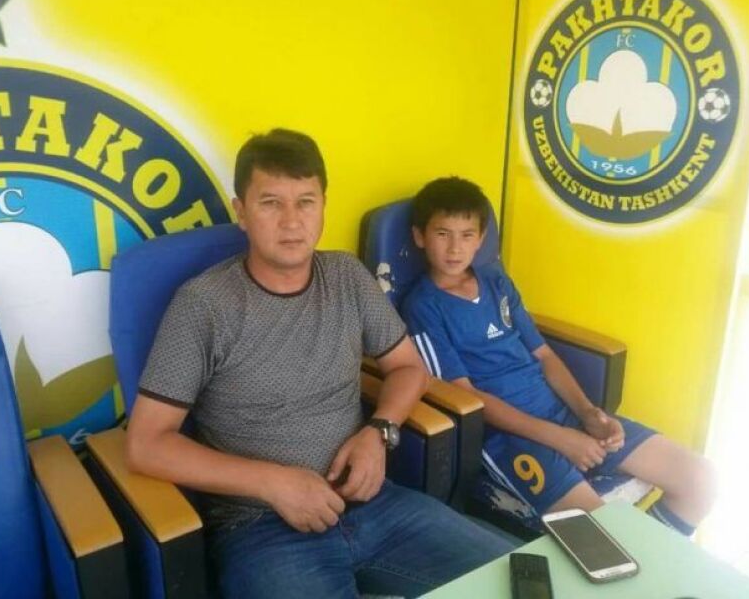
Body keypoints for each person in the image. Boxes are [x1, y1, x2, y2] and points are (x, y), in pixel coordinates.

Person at [125, 131, 517, 599]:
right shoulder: (203, 305)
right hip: (262, 530)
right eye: (271, 203)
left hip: (375, 505)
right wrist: (273, 483)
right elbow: (146, 444)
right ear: (241, 212)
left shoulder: (347, 276)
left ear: (324, 206)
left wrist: (379, 432)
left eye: (306, 202)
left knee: (524, 580)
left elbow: (409, 368)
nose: (292, 222)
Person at [400, 176, 716, 536]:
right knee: (605, 538)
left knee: (699, 480)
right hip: (508, 438)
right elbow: (464, 397)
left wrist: (588, 414)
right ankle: (641, 564)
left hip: (562, 413)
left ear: (481, 239)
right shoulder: (422, 306)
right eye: (442, 234)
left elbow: (545, 355)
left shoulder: (497, 283)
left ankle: (650, 561)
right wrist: (560, 439)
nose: (455, 248)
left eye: (467, 234)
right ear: (420, 237)